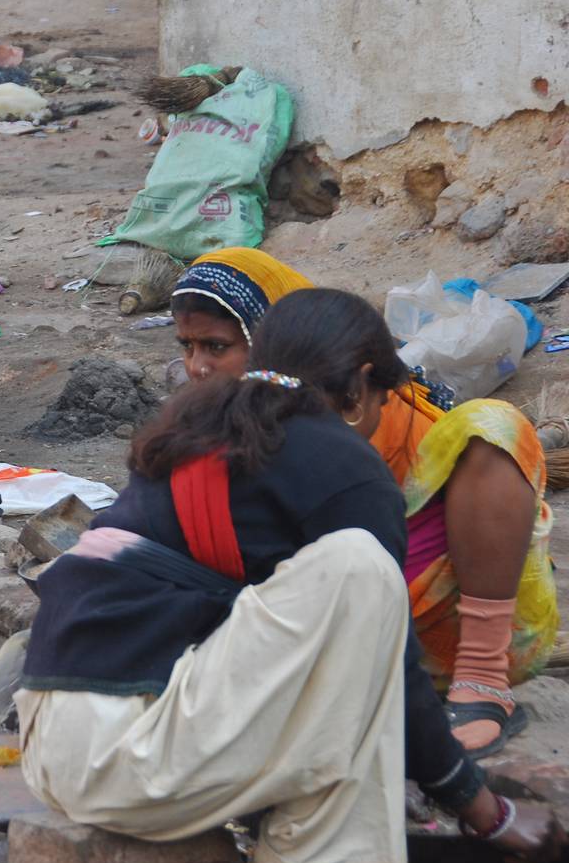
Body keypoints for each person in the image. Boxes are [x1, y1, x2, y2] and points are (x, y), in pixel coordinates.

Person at [18, 289, 564, 863]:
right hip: (130, 762)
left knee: (337, 662)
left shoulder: (197, 429)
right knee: (360, 573)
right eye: (382, 401)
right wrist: (486, 811)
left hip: (55, 754)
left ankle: (313, 853)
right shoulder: (344, 464)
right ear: (359, 388)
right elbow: (396, 666)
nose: (379, 419)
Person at [168, 248, 558, 757]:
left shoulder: (376, 410)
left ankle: (483, 682)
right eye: (187, 347)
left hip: (437, 632)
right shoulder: (209, 425)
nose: (197, 368)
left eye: (217, 347)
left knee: (494, 426)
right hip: (311, 651)